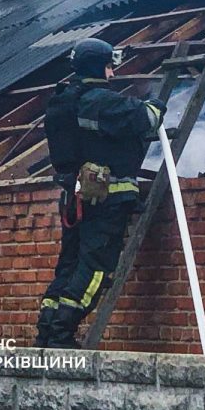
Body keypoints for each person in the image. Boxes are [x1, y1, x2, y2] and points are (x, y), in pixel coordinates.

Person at [33, 38, 166, 348]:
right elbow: (146, 118)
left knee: (68, 266)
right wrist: (156, 103)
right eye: (109, 66)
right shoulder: (101, 102)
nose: (112, 73)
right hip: (107, 199)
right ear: (99, 67)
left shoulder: (60, 102)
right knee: (96, 268)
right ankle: (62, 335)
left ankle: (47, 331)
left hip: (74, 197)